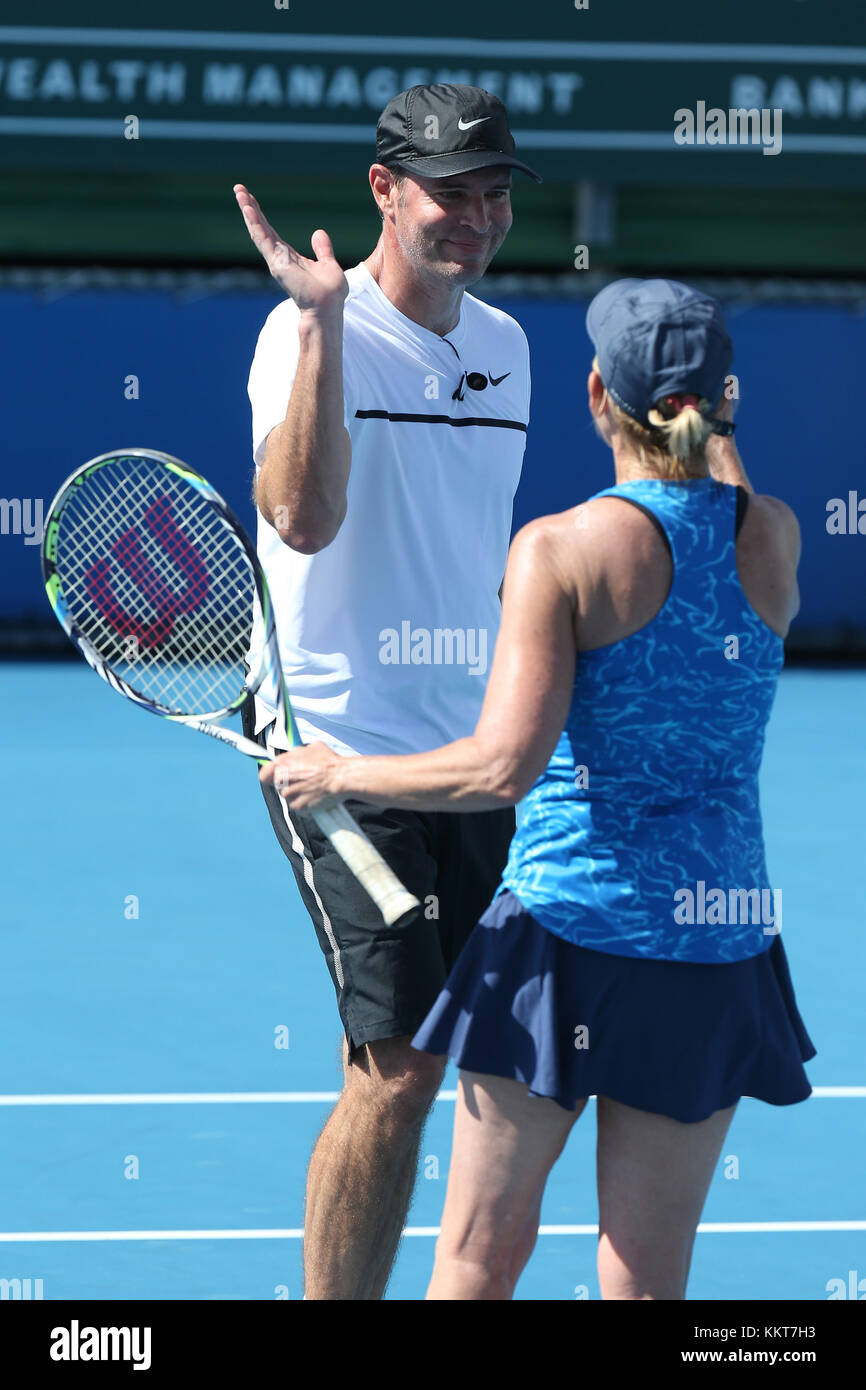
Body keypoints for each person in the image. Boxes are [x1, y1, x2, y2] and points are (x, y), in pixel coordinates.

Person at [262, 278, 817, 1301]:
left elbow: (499, 767)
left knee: (480, 1255)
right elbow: (720, 477)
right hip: (714, 947)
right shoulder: (773, 537)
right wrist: (715, 418)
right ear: (721, 400)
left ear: (597, 393)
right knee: (646, 1276)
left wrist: (340, 771)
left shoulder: (560, 551)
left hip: (565, 938)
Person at [234, 84, 541, 1301]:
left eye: (492, 193)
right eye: (448, 193)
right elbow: (300, 519)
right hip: (334, 746)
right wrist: (321, 330)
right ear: (382, 190)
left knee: (450, 1059)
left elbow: (471, 553)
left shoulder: (508, 346)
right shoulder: (303, 333)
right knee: (402, 1063)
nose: (476, 216)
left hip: (461, 755)